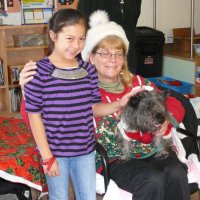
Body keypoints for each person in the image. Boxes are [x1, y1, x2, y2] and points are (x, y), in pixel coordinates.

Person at [20, 10, 190, 200]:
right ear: (91, 57)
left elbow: (175, 101)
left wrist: (167, 119)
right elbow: (36, 116)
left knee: (176, 172)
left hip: (152, 149)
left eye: (119, 53)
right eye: (105, 53)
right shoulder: (81, 87)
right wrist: (26, 92)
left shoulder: (138, 83)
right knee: (151, 180)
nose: (113, 59)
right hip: (116, 157)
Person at [22, 9, 134, 200]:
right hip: (55, 152)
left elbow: (93, 108)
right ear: (53, 36)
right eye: (70, 38)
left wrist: (118, 104)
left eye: (81, 39)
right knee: (59, 196)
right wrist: (47, 157)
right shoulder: (38, 72)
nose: (76, 45)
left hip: (85, 150)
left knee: (88, 196)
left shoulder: (88, 70)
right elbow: (35, 117)